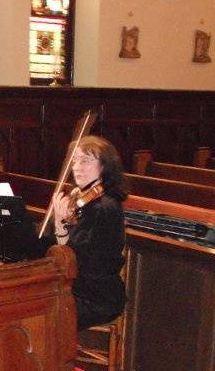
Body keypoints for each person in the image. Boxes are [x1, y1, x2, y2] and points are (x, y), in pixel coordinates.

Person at [47, 135, 128, 331]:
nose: (77, 167)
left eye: (85, 160)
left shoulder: (104, 207)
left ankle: (59, 360)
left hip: (97, 296)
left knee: (42, 313)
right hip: (77, 287)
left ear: (104, 166)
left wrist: (60, 224)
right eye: (74, 160)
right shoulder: (83, 201)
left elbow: (79, 260)